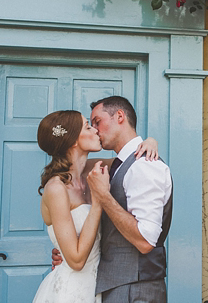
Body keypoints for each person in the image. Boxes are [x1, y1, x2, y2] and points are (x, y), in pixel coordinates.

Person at [34, 110, 158, 303]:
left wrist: (150, 141)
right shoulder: (56, 188)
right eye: (88, 126)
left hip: (100, 287)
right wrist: (99, 200)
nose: (96, 131)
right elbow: (75, 260)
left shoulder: (93, 170)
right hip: (70, 292)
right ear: (73, 140)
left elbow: (131, 159)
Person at [86, 96, 173, 302]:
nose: (95, 130)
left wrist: (103, 196)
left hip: (135, 290)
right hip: (118, 285)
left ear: (119, 116)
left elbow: (145, 241)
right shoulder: (119, 164)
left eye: (97, 121)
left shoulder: (144, 165)